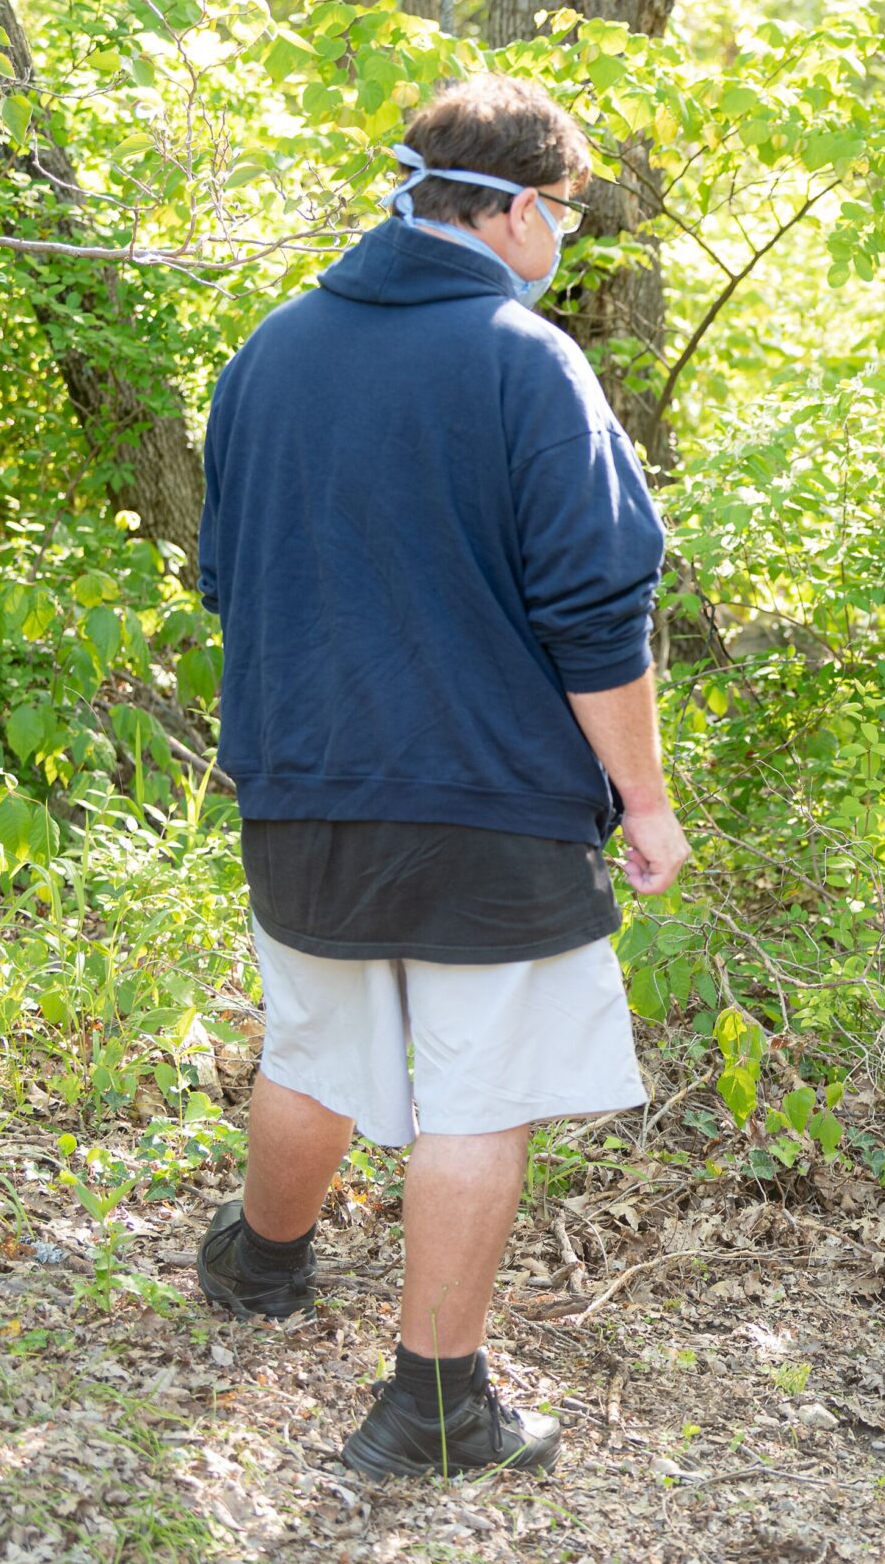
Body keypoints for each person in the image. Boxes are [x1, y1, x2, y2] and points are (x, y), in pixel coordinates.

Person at [194, 76, 689, 1477]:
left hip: (302, 781)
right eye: (569, 218)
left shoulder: (271, 350)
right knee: (476, 1095)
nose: (564, 247)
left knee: (315, 1035)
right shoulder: (523, 360)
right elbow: (598, 615)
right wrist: (644, 803)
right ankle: (433, 1404)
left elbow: (232, 576)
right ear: (523, 207)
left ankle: (261, 1261)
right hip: (487, 801)